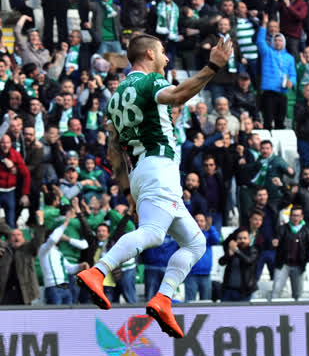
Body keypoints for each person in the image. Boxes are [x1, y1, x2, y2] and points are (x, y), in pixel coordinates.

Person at [75, 34, 233, 338]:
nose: (167, 58)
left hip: (141, 172)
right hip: (159, 166)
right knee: (154, 234)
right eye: (162, 52)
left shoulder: (116, 98)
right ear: (149, 53)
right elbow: (179, 95)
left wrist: (129, 192)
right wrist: (213, 66)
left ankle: (163, 298)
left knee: (195, 242)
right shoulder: (150, 82)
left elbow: (114, 152)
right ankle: (98, 271)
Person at [39, 209, 89, 305]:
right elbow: (53, 239)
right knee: (56, 314)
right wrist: (66, 221)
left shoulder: (58, 253)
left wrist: (80, 266)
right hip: (53, 287)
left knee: (68, 313)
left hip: (65, 287)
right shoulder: (44, 249)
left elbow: (69, 269)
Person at [271, 206, 309, 300]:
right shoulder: (283, 228)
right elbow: (278, 237)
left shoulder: (306, 230)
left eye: (298, 215)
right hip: (283, 264)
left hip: (298, 265)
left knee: (297, 294)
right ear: (290, 216)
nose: (295, 218)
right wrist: (276, 242)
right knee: (276, 291)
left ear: (302, 217)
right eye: (294, 215)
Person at [0, 211, 45, 305]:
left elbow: (38, 239)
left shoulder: (28, 248)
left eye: (19, 235)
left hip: (24, 293)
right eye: (13, 235)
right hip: (6, 292)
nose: (16, 237)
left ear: (24, 238)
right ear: (9, 239)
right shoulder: (4, 250)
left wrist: (40, 221)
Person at [185, 213, 220, 302]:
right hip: (191, 274)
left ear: (205, 223)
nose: (199, 223)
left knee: (206, 304)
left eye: (201, 221)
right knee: (189, 303)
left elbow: (217, 240)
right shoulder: (187, 234)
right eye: (196, 221)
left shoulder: (208, 234)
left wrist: (211, 227)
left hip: (206, 274)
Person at [219, 228, 259, 301]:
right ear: (236, 240)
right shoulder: (233, 251)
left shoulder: (253, 250)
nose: (242, 240)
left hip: (245, 291)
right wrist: (229, 255)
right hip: (229, 290)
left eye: (245, 238)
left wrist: (236, 250)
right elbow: (221, 262)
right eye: (240, 238)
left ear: (249, 240)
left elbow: (248, 261)